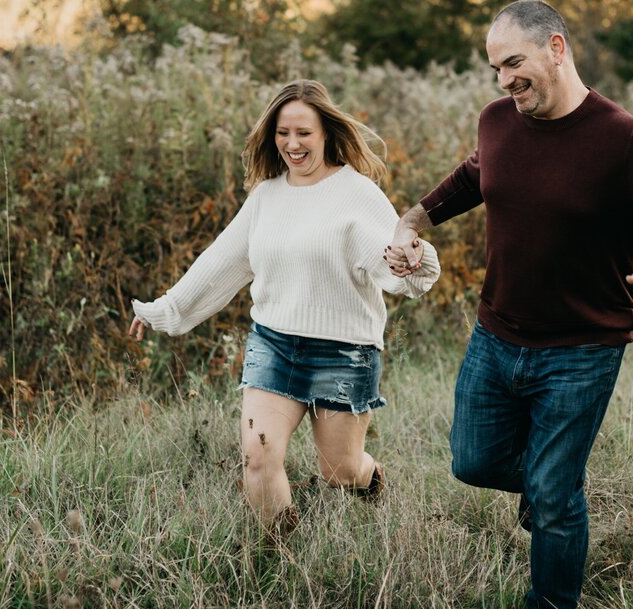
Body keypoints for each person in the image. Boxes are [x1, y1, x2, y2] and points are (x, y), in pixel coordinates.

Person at [387, 0, 633, 609]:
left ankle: (554, 584)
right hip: (496, 335)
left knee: (556, 500)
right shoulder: (498, 119)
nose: (504, 80)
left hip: (583, 348)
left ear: (556, 49)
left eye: (514, 63)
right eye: (495, 69)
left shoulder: (625, 139)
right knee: (472, 461)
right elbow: (473, 176)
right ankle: (551, 483)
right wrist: (412, 219)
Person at [129, 79, 440, 535]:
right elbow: (221, 262)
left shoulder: (356, 194)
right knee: (258, 455)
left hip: (343, 352)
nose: (292, 144)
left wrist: (412, 260)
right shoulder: (266, 197)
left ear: (326, 134)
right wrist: (166, 309)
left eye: (304, 133)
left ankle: (370, 478)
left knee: (340, 471)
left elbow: (393, 266)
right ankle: (281, 560)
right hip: (273, 345)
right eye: (283, 133)